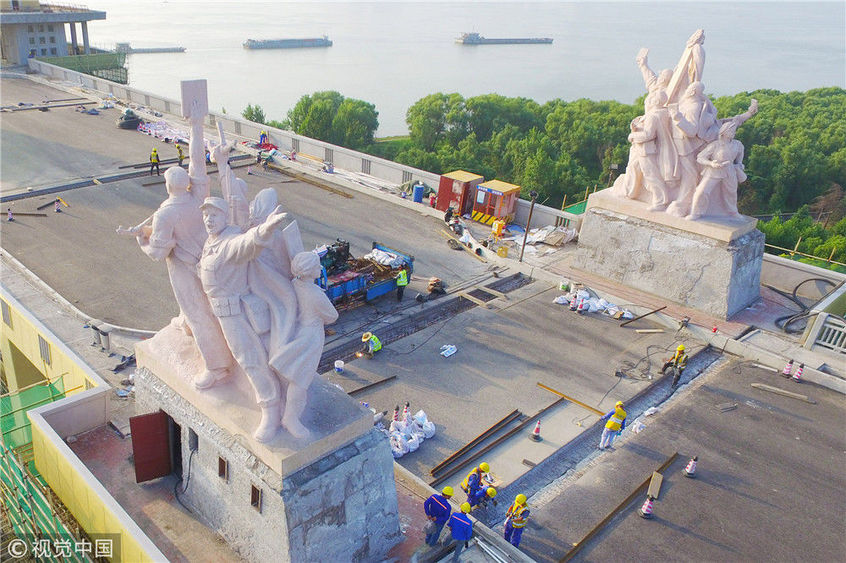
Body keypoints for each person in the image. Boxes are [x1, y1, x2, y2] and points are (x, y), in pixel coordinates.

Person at [120, 105, 234, 391]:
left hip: (185, 266)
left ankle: (217, 367)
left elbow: (158, 253)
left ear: (167, 186)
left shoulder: (165, 214)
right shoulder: (198, 196)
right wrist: (196, 126)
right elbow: (196, 162)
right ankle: (185, 323)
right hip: (207, 259)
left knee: (199, 313)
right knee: (198, 309)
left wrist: (141, 240)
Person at [198, 197, 289, 443]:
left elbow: (247, 243)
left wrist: (264, 229)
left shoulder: (230, 242)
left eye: (214, 215)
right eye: (206, 215)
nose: (209, 220)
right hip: (217, 310)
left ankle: (271, 409)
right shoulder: (211, 241)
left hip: (234, 313)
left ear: (225, 216)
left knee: (251, 360)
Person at [271, 251, 339, 438]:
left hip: (297, 332)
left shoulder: (294, 284)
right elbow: (332, 316)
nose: (320, 268)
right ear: (309, 270)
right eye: (317, 265)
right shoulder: (315, 294)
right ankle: (290, 418)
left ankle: (288, 412)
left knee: (296, 375)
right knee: (300, 380)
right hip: (310, 338)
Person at [687, 120, 747, 221]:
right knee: (702, 191)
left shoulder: (737, 144)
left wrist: (740, 163)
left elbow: (740, 153)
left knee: (731, 193)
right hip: (714, 171)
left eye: (734, 130)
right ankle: (695, 213)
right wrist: (711, 163)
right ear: (724, 132)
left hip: (730, 171)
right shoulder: (715, 145)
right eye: (731, 130)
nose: (734, 132)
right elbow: (700, 157)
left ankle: (733, 212)